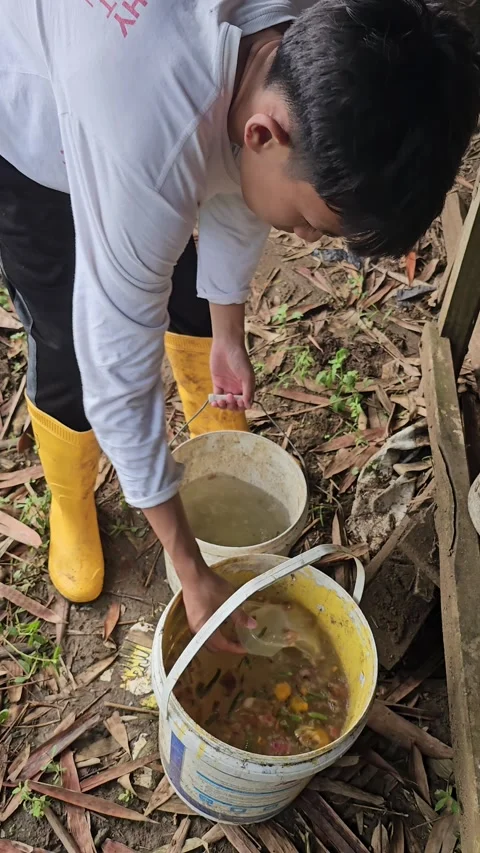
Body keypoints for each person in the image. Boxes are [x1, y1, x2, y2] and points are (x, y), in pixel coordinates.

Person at [0, 0, 478, 652]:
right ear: (264, 133)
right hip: (30, 113)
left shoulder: (289, 55)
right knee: (65, 332)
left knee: (190, 276)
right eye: (314, 223)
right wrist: (191, 570)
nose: (306, 238)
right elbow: (115, 367)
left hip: (153, 102)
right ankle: (71, 497)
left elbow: (241, 171)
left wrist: (229, 331)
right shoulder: (152, 139)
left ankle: (207, 382)